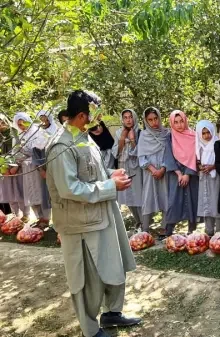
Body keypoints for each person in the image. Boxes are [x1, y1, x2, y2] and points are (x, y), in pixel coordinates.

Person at [45, 90, 140, 337]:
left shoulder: (83, 137)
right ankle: (90, 329)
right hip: (81, 225)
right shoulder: (61, 146)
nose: (97, 118)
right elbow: (69, 188)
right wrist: (110, 186)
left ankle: (111, 313)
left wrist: (111, 175)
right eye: (93, 114)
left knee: (114, 264)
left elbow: (90, 172)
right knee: (88, 278)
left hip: (101, 215)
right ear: (80, 115)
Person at [164, 110, 199, 236]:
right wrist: (179, 174)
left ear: (186, 120)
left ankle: (192, 232)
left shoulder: (194, 136)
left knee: (192, 200)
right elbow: (168, 155)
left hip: (191, 174)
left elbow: (196, 155)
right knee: (174, 201)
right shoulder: (169, 136)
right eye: (176, 122)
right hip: (175, 174)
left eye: (181, 121)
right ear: (172, 123)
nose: (179, 125)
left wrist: (188, 174)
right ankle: (169, 232)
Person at [13, 112, 49, 225]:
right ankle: (39, 217)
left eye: (24, 122)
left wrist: (26, 153)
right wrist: (22, 156)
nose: (22, 125)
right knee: (31, 192)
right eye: (19, 124)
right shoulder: (18, 136)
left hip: (37, 167)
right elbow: (15, 152)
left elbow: (39, 150)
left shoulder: (37, 133)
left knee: (41, 192)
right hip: (26, 169)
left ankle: (46, 218)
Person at [137, 107, 169, 233]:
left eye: (156, 118)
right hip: (150, 173)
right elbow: (141, 157)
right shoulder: (143, 136)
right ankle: (145, 229)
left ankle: (165, 227)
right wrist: (153, 170)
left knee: (165, 197)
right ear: (146, 121)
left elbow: (170, 154)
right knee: (148, 198)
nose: (154, 122)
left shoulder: (166, 134)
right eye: (150, 120)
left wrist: (162, 169)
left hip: (164, 172)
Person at [112, 109, 144, 229]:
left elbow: (140, 153)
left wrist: (132, 140)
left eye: (130, 117)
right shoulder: (119, 132)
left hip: (136, 167)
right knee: (128, 195)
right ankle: (138, 221)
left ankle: (144, 222)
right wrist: (122, 139)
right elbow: (115, 153)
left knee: (138, 194)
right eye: (125, 117)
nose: (128, 120)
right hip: (123, 166)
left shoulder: (140, 132)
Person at [195, 120, 220, 236]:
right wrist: (200, 166)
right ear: (199, 134)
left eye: (208, 132)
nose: (207, 135)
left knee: (216, 203)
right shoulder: (198, 145)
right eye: (203, 133)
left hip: (216, 177)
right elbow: (197, 160)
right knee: (206, 203)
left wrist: (212, 167)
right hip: (204, 178)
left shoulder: (217, 143)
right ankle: (209, 232)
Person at [31, 109, 60, 227]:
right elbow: (35, 151)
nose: (43, 120)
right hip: (43, 166)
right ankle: (46, 219)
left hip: (56, 165)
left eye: (45, 117)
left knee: (58, 191)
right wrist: (40, 169)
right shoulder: (36, 132)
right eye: (41, 117)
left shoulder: (56, 131)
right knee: (45, 192)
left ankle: (59, 219)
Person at [0, 113, 15, 215]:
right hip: (2, 167)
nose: (1, 125)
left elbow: (16, 149)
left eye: (2, 122)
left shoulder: (13, 133)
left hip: (14, 165)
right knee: (3, 191)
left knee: (15, 190)